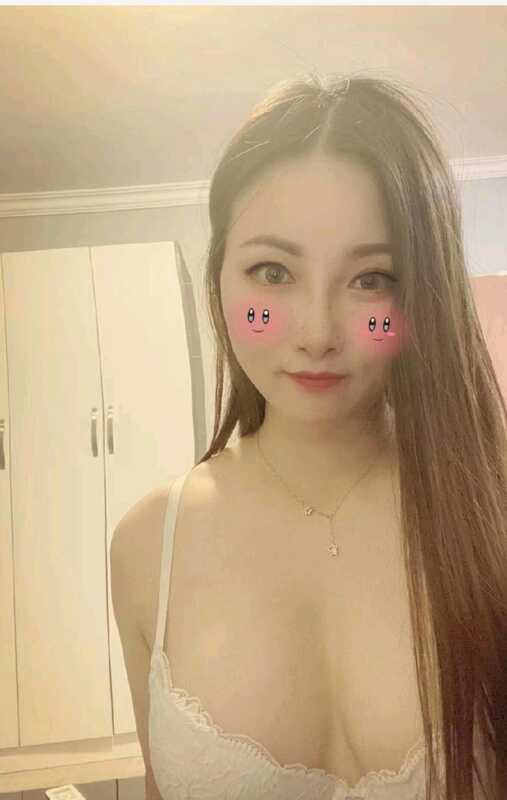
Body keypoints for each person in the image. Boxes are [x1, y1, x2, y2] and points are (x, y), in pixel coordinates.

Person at [112, 72, 507, 800]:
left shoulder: (491, 511)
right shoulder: (146, 546)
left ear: (424, 295)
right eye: (272, 272)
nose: (317, 333)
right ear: (219, 280)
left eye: (372, 280)